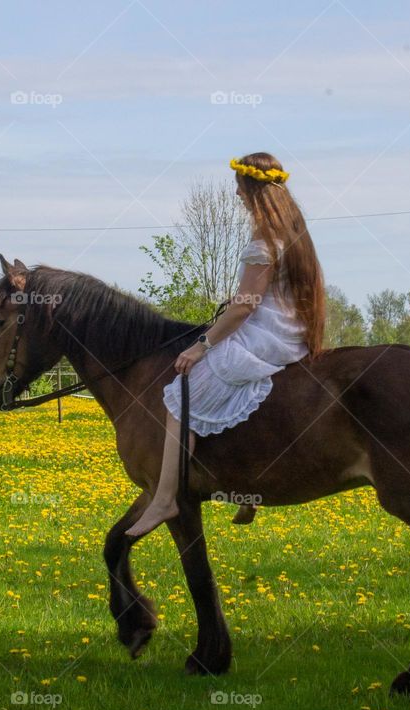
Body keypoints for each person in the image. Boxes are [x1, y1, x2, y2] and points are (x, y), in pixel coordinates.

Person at [125, 152, 326, 538]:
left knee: (180, 395)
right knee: (233, 392)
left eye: (239, 187)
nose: (236, 194)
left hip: (267, 336)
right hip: (292, 335)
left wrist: (200, 345)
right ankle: (245, 489)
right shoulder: (296, 232)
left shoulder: (264, 236)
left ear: (251, 190)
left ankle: (165, 499)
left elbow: (245, 306)